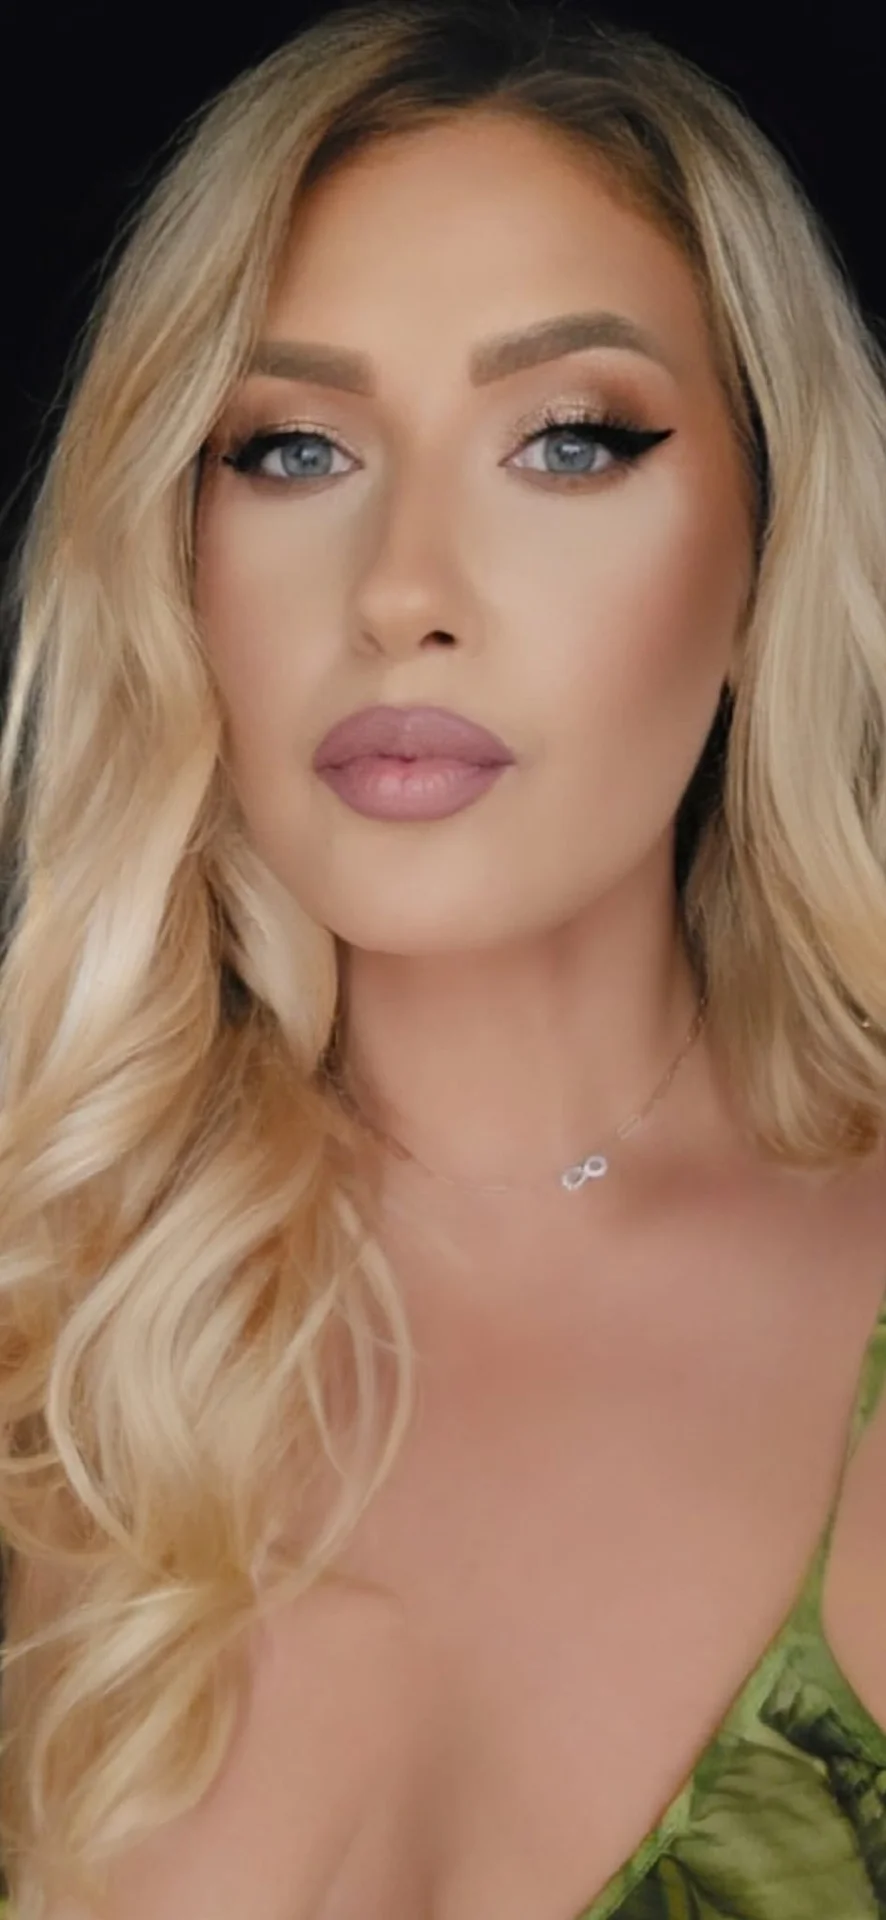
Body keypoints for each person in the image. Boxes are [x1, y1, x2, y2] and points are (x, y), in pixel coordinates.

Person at [3, 0, 886, 1913]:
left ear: (765, 547)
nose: (402, 590)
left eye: (566, 442)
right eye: (291, 449)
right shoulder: (38, 1331)